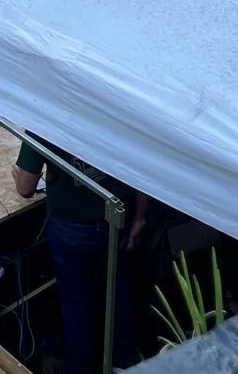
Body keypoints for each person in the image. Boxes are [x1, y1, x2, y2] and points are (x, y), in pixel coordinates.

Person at [13, 140, 143, 374]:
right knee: (116, 289)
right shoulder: (118, 109)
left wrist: (18, 175)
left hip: (71, 227)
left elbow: (25, 187)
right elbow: (141, 170)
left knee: (75, 304)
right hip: (116, 219)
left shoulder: (43, 115)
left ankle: (80, 367)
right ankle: (124, 360)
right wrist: (139, 217)